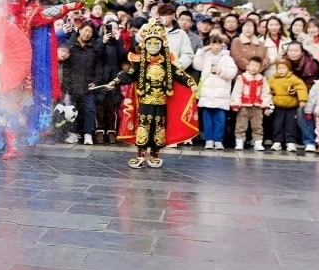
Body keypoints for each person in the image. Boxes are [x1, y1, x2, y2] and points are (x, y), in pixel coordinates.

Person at [0, 0, 82, 159]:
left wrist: (71, 6)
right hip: (3, 65)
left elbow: (49, 13)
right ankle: (10, 145)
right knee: (4, 106)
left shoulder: (29, 13)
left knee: (23, 107)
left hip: (25, 67)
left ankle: (25, 139)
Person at [114, 19, 198, 168]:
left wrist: (191, 84)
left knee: (159, 128)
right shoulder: (141, 63)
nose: (153, 47)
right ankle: (140, 156)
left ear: (162, 45)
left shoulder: (167, 64)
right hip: (145, 101)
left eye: (157, 44)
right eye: (150, 44)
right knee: (143, 127)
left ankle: (154, 155)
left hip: (161, 101)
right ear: (144, 44)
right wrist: (115, 81)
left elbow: (180, 74)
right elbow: (130, 74)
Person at [193, 35, 237, 150]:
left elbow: (232, 73)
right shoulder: (206, 56)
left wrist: (220, 71)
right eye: (213, 43)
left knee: (220, 120)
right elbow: (197, 65)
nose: (216, 46)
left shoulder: (227, 58)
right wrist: (202, 51)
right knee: (207, 120)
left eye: (218, 44)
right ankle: (208, 139)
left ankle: (218, 140)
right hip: (207, 94)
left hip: (221, 95)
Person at [61, 22, 100, 145]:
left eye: (90, 32)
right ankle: (72, 134)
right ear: (80, 29)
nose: (87, 34)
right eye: (85, 30)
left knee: (89, 109)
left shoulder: (93, 48)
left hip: (88, 85)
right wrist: (66, 85)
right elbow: (65, 67)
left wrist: (96, 81)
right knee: (71, 110)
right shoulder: (70, 46)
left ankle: (88, 134)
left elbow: (98, 68)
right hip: (72, 85)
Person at [231, 56, 272, 151]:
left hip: (257, 107)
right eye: (252, 65)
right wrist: (235, 104)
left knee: (258, 125)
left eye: (257, 66)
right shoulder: (242, 78)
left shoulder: (262, 79)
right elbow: (237, 91)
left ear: (261, 68)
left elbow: (266, 93)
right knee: (241, 125)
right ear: (248, 66)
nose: (254, 68)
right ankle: (239, 141)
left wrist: (267, 107)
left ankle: (257, 142)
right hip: (244, 106)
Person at [268, 59, 308, 152]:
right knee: (277, 124)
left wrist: (302, 99)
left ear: (288, 69)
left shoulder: (293, 78)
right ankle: (277, 141)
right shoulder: (272, 79)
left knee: (291, 125)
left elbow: (301, 88)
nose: (281, 70)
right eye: (279, 68)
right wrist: (270, 100)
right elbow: (267, 90)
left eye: (283, 68)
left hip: (291, 106)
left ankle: (290, 142)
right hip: (278, 105)